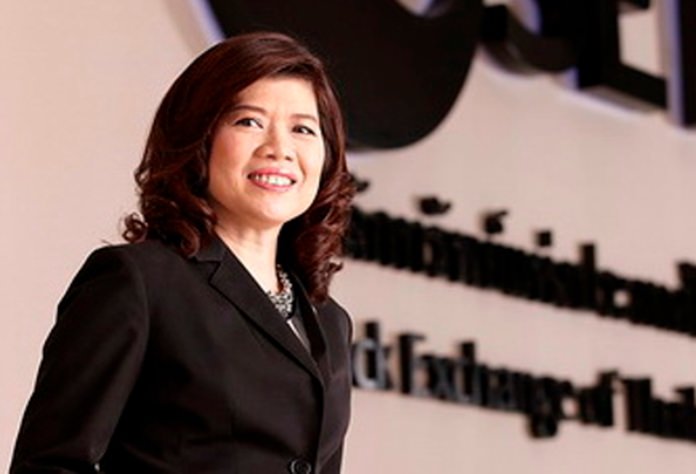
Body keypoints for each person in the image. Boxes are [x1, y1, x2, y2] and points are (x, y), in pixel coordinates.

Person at [11, 31, 355, 473]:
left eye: (303, 129)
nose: (279, 149)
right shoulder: (139, 282)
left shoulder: (330, 321)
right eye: (248, 122)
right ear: (199, 137)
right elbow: (49, 464)